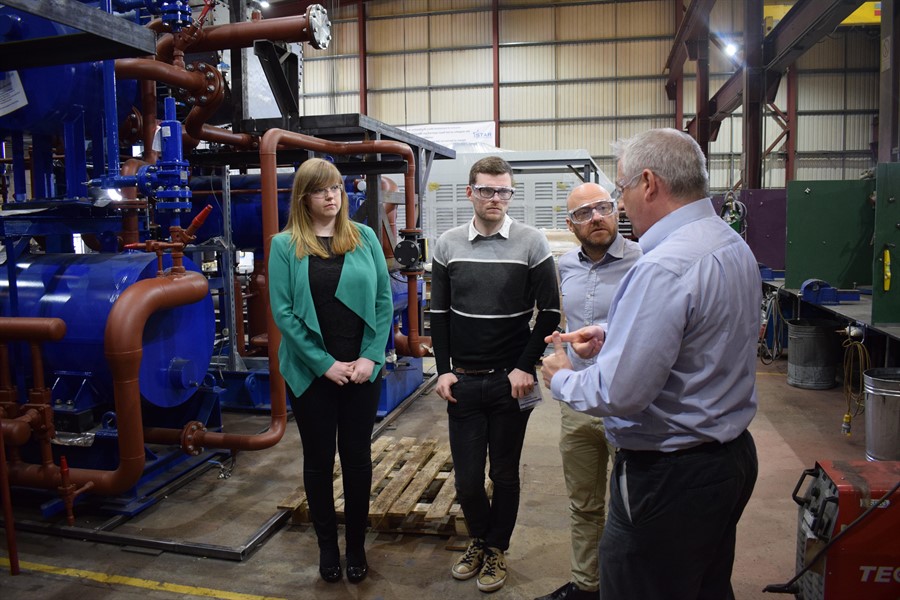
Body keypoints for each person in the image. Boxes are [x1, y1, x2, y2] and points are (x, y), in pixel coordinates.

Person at [541, 128, 761, 600]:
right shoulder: (728, 243)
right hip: (729, 459)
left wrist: (561, 379)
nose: (617, 207)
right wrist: (617, 338)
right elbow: (702, 341)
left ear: (649, 183)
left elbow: (620, 393)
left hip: (670, 478)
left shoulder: (662, 265)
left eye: (619, 192)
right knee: (704, 586)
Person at [430, 156, 561, 593]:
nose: (495, 198)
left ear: (511, 194)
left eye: (503, 190)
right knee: (467, 479)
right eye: (486, 190)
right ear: (470, 192)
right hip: (463, 382)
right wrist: (443, 371)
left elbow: (551, 313)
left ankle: (495, 549)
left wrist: (526, 366)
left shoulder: (532, 242)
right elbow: (439, 314)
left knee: (503, 473)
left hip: (511, 381)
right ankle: (482, 540)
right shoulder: (448, 244)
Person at [268, 157, 393, 585]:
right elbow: (284, 313)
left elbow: (382, 301)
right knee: (318, 461)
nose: (332, 196)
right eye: (322, 190)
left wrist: (370, 358)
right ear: (304, 197)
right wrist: (324, 365)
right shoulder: (284, 245)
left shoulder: (365, 237)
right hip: (311, 372)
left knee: (357, 460)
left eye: (337, 188)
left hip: (360, 370)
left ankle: (356, 546)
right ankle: (327, 546)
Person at [535, 183, 642, 600]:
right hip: (577, 400)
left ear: (616, 211)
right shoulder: (564, 266)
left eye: (603, 208)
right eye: (584, 213)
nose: (596, 217)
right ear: (571, 224)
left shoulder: (643, 262)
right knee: (584, 504)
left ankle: (626, 588)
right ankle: (586, 586)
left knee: (630, 508)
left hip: (628, 403)